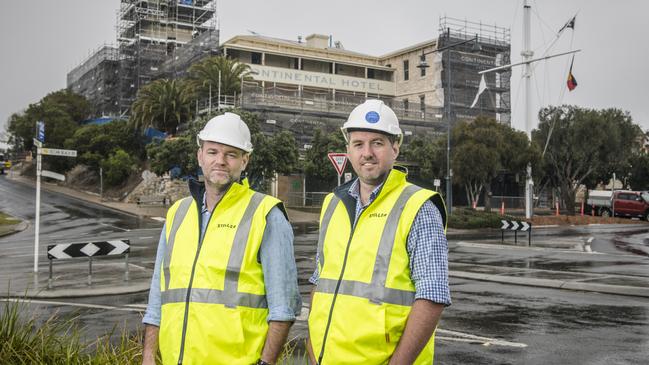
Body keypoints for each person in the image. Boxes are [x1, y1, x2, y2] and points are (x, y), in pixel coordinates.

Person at [141, 112, 301, 365]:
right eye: (213, 152)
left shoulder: (266, 214)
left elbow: (284, 307)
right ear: (200, 155)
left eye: (231, 154)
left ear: (244, 160)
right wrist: (149, 355)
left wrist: (265, 363)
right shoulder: (177, 214)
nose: (221, 161)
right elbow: (157, 296)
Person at [307, 100, 450, 365]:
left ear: (395, 148)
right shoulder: (332, 204)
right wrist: (313, 350)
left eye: (377, 143)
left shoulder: (418, 206)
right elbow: (320, 281)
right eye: (358, 144)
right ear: (348, 150)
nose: (367, 153)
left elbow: (432, 297)